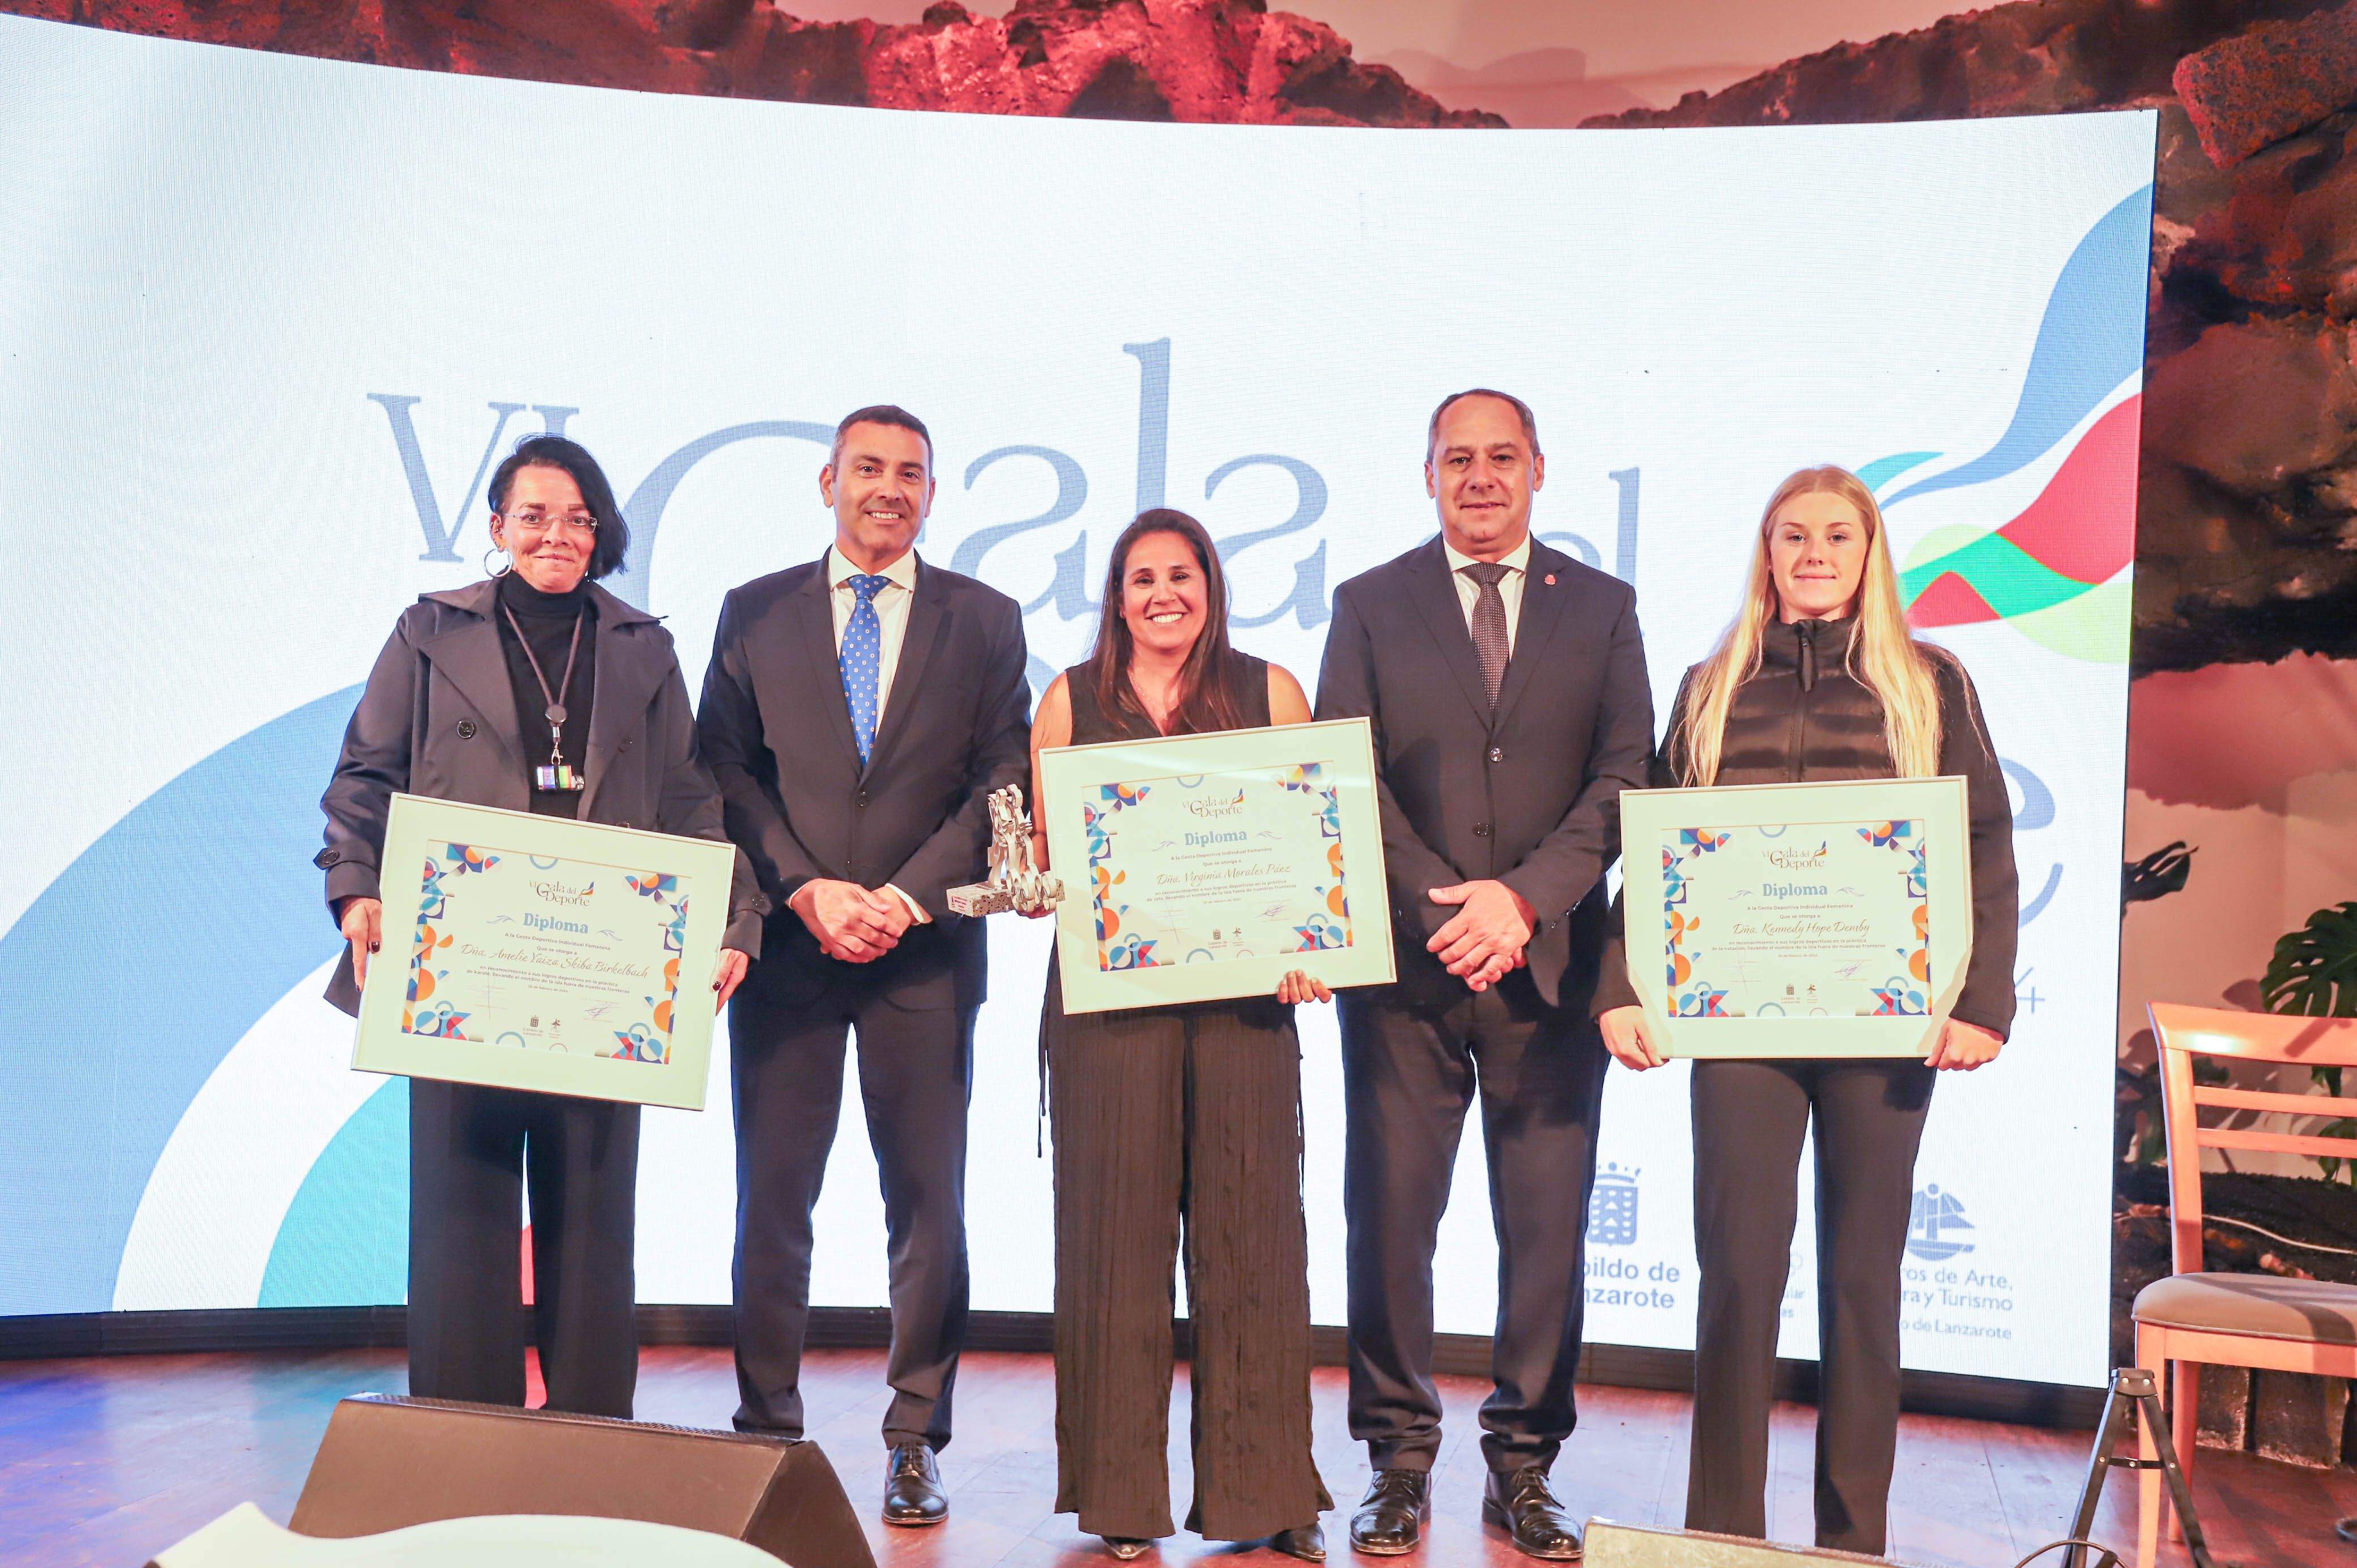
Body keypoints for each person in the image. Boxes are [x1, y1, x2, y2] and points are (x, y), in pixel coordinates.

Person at [1593, 465, 2018, 1557]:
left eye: (1838, 534)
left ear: (1871, 553)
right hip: (1743, 1033)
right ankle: (1721, 1536)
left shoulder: (1932, 682)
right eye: (1794, 535)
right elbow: (1656, 854)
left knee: (1864, 1281)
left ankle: (1850, 1543)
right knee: (1737, 1272)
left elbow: (1984, 851)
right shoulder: (1709, 687)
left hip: (1888, 1030)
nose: (1816, 553)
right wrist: (1620, 984)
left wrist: (1983, 1003)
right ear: (1767, 553)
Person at [317, 434, 762, 1418]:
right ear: (496, 528)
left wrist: (734, 917)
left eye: (576, 517)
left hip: (601, 974)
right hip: (461, 964)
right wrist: (358, 889)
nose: (555, 534)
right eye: (534, 515)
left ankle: (591, 1439)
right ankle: (460, 1445)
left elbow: (691, 800)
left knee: (594, 1225)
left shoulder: (645, 647)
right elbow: (363, 778)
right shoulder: (428, 632)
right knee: (459, 1223)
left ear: (600, 530)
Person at [1314, 390, 1653, 1560]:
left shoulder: (1602, 609)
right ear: (1427, 476)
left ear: (1538, 471)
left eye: (1500, 457)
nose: (1479, 478)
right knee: (1391, 1222)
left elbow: (1624, 778)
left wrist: (1523, 899)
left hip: (1549, 968)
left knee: (1545, 1227)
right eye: (1456, 459)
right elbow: (1342, 777)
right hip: (1405, 973)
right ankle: (1397, 1462)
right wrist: (1445, 907)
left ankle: (1522, 1464)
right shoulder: (1368, 603)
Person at [697, 404, 1031, 1527]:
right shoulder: (753, 611)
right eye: (868, 468)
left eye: (912, 473)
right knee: (772, 1200)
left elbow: (1002, 781)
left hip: (922, 955)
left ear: (932, 494)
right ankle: (764, 1432)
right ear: (827, 480)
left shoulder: (986, 620)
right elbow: (723, 774)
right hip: (789, 952)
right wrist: (799, 885)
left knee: (926, 1204)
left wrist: (899, 897)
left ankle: (913, 1437)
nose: (888, 487)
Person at [1027, 510, 1335, 1563]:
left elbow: (1313, 849)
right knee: (1114, 1240)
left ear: (1212, 584)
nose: (1164, 593)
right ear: (1115, 597)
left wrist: (1314, 944)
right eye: (1141, 577)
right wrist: (1035, 890)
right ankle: (1121, 1499)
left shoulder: (1271, 690)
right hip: (1111, 1003)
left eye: (1183, 574)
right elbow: (1045, 853)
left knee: (1254, 1237)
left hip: (1249, 1003)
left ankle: (1267, 1496)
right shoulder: (1071, 698)